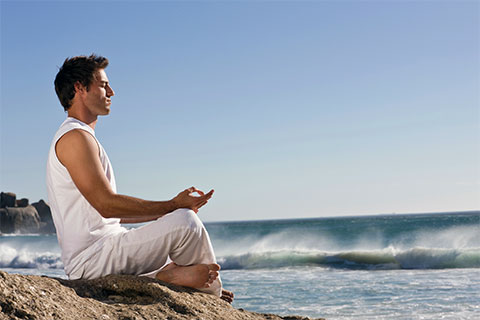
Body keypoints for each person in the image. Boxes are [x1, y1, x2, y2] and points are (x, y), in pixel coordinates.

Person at [46, 54, 233, 303]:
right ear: (80, 87)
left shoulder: (80, 137)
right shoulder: (75, 138)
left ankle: (169, 277)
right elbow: (106, 204)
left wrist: (165, 212)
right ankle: (209, 298)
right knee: (186, 223)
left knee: (178, 220)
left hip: (105, 249)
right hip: (93, 259)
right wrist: (174, 206)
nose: (111, 91)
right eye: (103, 85)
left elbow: (109, 213)